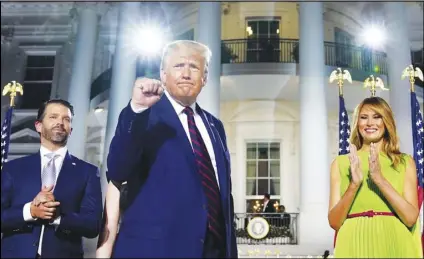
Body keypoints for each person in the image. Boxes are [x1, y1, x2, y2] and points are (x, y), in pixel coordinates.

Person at [106, 40, 237, 258]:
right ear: (163, 75)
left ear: (204, 78)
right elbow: (118, 170)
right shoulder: (143, 115)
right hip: (157, 249)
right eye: (178, 66)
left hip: (214, 249)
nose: (186, 73)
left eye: (194, 67)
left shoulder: (215, 126)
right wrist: (137, 110)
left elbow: (223, 194)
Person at [1, 99, 103, 258]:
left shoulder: (88, 172)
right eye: (53, 117)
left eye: (66, 119)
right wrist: (30, 211)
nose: (60, 122)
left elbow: (93, 225)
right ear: (38, 126)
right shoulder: (13, 169)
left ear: (70, 130)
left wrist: (58, 217)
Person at [328, 96, 422, 258]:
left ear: (387, 122)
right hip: (353, 244)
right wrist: (354, 185)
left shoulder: (405, 162)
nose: (370, 123)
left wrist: (379, 179)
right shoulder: (341, 163)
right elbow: (334, 222)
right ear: (357, 123)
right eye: (364, 117)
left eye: (377, 117)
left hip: (395, 242)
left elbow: (410, 218)